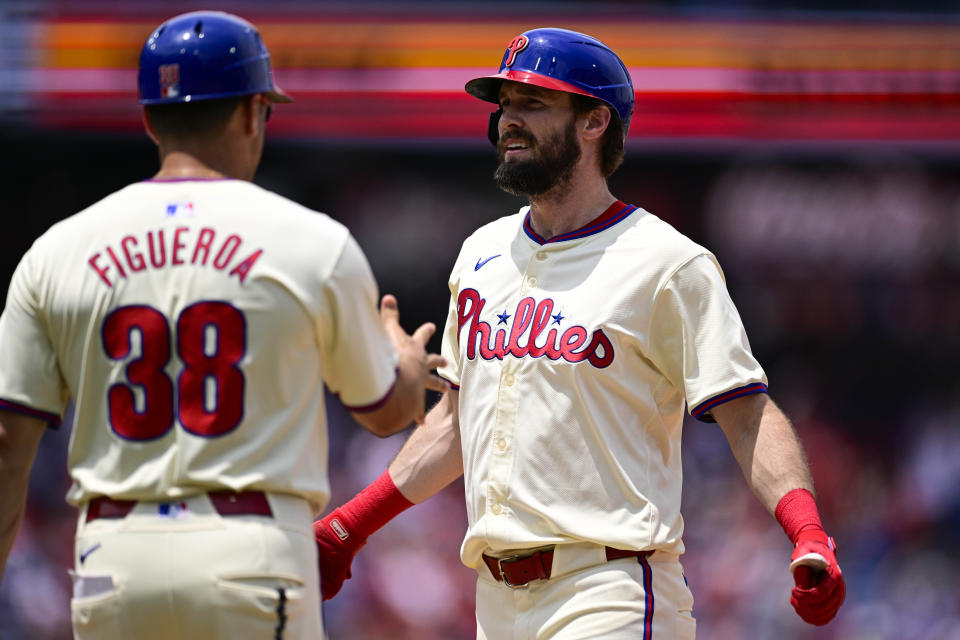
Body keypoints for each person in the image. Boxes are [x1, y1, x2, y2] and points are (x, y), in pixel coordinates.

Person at [313, 27, 846, 638]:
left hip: (608, 590)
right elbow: (456, 425)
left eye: (534, 104)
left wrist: (806, 531)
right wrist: (347, 528)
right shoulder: (481, 252)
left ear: (595, 121)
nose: (509, 120)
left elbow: (746, 413)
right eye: (504, 104)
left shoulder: (667, 262)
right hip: (495, 601)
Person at [0, 10, 445, 640]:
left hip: (113, 560)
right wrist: (405, 362)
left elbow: (7, 444)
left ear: (150, 117)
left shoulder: (57, 249)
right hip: (249, 554)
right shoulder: (313, 241)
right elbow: (385, 413)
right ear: (251, 111)